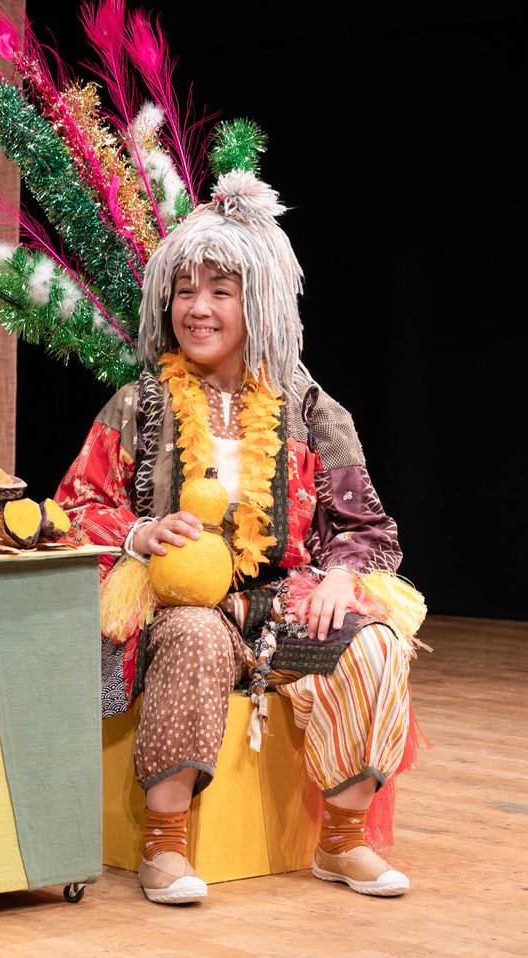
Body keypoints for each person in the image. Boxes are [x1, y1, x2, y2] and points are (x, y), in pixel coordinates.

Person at [55, 172, 423, 904]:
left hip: (283, 606)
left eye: (220, 291)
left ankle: (342, 841)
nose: (198, 308)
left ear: (261, 303)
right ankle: (165, 846)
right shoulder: (137, 405)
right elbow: (72, 511)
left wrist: (343, 578)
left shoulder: (313, 412)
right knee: (194, 632)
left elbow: (368, 530)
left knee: (376, 643)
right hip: (180, 609)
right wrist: (141, 533)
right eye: (185, 291)